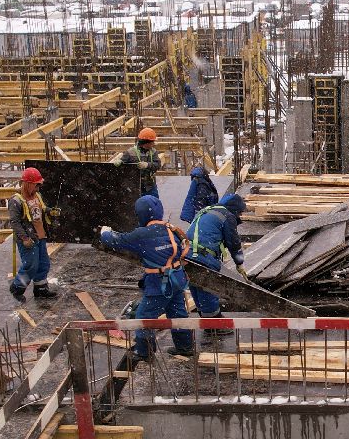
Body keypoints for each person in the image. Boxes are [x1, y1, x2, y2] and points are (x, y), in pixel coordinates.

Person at [99, 194, 195, 360]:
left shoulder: (141, 234)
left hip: (159, 284)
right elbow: (184, 249)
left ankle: (145, 353)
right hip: (177, 279)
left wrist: (105, 232)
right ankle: (185, 347)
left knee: (144, 318)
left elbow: (117, 240)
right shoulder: (172, 229)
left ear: (141, 214)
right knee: (178, 313)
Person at [187, 194, 247, 320]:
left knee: (195, 283)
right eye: (240, 213)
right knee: (208, 285)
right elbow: (233, 243)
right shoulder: (227, 216)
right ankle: (214, 322)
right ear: (235, 209)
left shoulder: (208, 210)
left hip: (187, 253)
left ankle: (204, 316)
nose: (240, 216)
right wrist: (239, 263)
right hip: (203, 255)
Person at [8, 166, 58, 300]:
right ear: (28, 184)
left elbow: (41, 209)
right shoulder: (16, 201)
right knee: (31, 264)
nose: (38, 188)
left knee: (43, 263)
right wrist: (24, 238)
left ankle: (41, 288)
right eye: (36, 185)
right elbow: (15, 223)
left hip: (39, 235)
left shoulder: (37, 196)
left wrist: (49, 211)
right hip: (28, 238)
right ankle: (17, 287)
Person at [114, 128, 161, 195]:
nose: (153, 144)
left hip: (150, 186)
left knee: (153, 203)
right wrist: (120, 161)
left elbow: (158, 165)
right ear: (146, 142)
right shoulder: (130, 152)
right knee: (138, 204)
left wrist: (147, 165)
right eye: (152, 142)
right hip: (135, 186)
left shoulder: (153, 152)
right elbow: (122, 163)